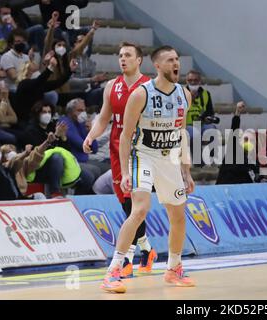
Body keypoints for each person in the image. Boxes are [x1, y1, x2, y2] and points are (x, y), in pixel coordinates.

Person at [100, 45, 195, 293]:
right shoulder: (141, 94)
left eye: (177, 59)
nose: (176, 64)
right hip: (143, 156)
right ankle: (113, 271)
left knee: (178, 216)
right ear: (157, 65)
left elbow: (181, 133)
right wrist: (125, 172)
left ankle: (174, 268)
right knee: (139, 209)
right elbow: (125, 136)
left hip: (170, 159)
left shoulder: (184, 94)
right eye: (170, 60)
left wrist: (186, 170)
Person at [83, 42, 156, 279]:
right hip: (118, 151)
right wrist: (91, 135)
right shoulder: (111, 86)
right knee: (128, 206)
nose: (122, 59)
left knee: (134, 205)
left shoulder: (149, 86)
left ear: (139, 60)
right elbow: (104, 118)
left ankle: (127, 257)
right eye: (120, 55)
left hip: (142, 151)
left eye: (128, 55)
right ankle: (147, 250)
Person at [216, 101, 260, 185]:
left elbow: (253, 168)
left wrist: (258, 173)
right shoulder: (232, 148)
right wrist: (237, 112)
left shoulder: (247, 154)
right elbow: (234, 128)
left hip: (240, 184)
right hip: (226, 184)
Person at [185, 69, 218, 163]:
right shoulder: (181, 93)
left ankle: (212, 160)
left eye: (195, 80)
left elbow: (210, 112)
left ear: (200, 81)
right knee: (194, 134)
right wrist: (189, 99)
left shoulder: (205, 94)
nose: (192, 82)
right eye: (190, 80)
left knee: (212, 130)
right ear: (186, 81)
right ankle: (198, 162)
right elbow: (177, 111)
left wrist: (207, 118)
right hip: (186, 125)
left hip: (201, 123)